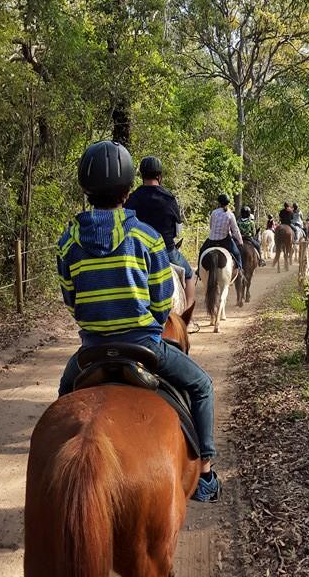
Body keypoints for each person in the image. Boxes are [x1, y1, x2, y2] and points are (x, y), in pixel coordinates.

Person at [57, 140, 220, 502]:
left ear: (86, 191)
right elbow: (163, 301)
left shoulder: (67, 242)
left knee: (63, 400)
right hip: (144, 346)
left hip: (91, 352)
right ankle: (206, 472)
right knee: (202, 386)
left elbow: (72, 301)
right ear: (127, 191)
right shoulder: (145, 237)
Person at [126, 155, 195, 309]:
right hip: (166, 251)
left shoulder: (132, 198)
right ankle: (187, 315)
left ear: (142, 176)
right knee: (189, 274)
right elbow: (177, 230)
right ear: (160, 176)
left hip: (136, 252)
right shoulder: (169, 199)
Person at [198, 193, 244, 272]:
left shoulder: (214, 212)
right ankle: (240, 269)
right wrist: (240, 241)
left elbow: (211, 226)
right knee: (237, 253)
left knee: (202, 251)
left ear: (219, 203)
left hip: (211, 239)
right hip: (224, 240)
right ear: (228, 203)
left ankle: (198, 270)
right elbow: (235, 230)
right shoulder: (230, 214)